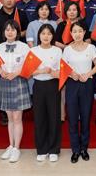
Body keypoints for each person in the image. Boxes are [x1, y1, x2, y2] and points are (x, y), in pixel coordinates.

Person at [0, 21, 31, 162]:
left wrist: (16, 73)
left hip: (19, 81)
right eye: (7, 30)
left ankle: (17, 148)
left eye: (13, 30)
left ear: (17, 32)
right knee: (10, 117)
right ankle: (10, 145)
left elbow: (28, 65)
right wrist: (1, 72)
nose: (10, 32)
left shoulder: (24, 47)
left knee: (17, 118)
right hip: (4, 82)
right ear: (4, 32)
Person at [62, 22, 96, 162]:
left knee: (85, 117)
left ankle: (84, 148)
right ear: (71, 33)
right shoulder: (67, 50)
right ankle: (75, 150)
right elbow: (64, 68)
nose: (77, 34)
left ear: (84, 32)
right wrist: (72, 74)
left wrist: (88, 74)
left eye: (80, 31)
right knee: (72, 118)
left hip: (86, 83)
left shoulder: (91, 48)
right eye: (74, 31)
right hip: (72, 84)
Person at [30, 24, 64, 161]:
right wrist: (42, 71)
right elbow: (28, 72)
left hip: (53, 85)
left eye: (49, 34)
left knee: (54, 117)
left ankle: (54, 149)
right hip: (38, 85)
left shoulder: (57, 51)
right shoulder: (33, 50)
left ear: (52, 36)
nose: (46, 36)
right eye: (43, 33)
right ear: (39, 35)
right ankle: (42, 149)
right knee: (40, 117)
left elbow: (62, 71)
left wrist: (53, 73)